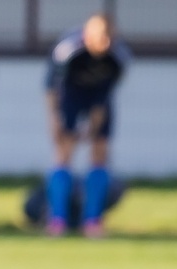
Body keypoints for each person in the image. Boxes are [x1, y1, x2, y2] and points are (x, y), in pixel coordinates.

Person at [45, 14, 129, 237]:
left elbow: (104, 98)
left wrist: (92, 128)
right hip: (69, 97)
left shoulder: (117, 58)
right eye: (102, 37)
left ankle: (92, 221)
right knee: (63, 153)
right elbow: (52, 89)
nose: (107, 43)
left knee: (100, 153)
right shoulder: (69, 52)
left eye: (110, 37)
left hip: (96, 99)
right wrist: (55, 121)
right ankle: (57, 221)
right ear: (87, 35)